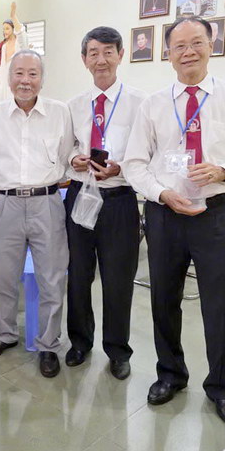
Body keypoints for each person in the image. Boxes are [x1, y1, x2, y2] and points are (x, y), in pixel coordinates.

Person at [122, 16, 225, 423]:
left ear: (211, 45)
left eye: (197, 43)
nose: (188, 52)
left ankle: (222, 386)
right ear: (168, 53)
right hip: (164, 213)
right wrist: (161, 193)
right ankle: (170, 374)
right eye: (179, 45)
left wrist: (224, 170)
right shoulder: (153, 104)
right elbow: (135, 163)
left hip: (217, 214)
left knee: (222, 303)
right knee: (163, 298)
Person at [0, 50, 74, 378]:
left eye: (32, 74)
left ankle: (48, 344)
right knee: (3, 276)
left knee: (51, 278)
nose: (25, 81)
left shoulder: (60, 113)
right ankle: (4, 334)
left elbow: (66, 156)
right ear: (9, 78)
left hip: (46, 202)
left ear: (42, 79)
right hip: (6, 203)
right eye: (19, 73)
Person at [64, 27, 145, 379]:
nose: (101, 60)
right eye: (94, 53)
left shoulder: (140, 103)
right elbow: (66, 149)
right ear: (84, 59)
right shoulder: (73, 106)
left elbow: (146, 153)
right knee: (78, 275)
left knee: (118, 279)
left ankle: (118, 350)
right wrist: (75, 159)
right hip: (80, 195)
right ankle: (80, 342)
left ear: (120, 55)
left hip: (119, 200)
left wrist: (121, 167)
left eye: (108, 52)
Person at [0, 2, 29, 103]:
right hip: (3, 85)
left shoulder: (20, 44)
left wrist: (13, 16)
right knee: (1, 106)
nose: (4, 31)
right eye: (3, 29)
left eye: (7, 28)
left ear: (13, 29)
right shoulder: (4, 46)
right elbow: (4, 67)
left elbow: (21, 34)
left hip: (16, 82)